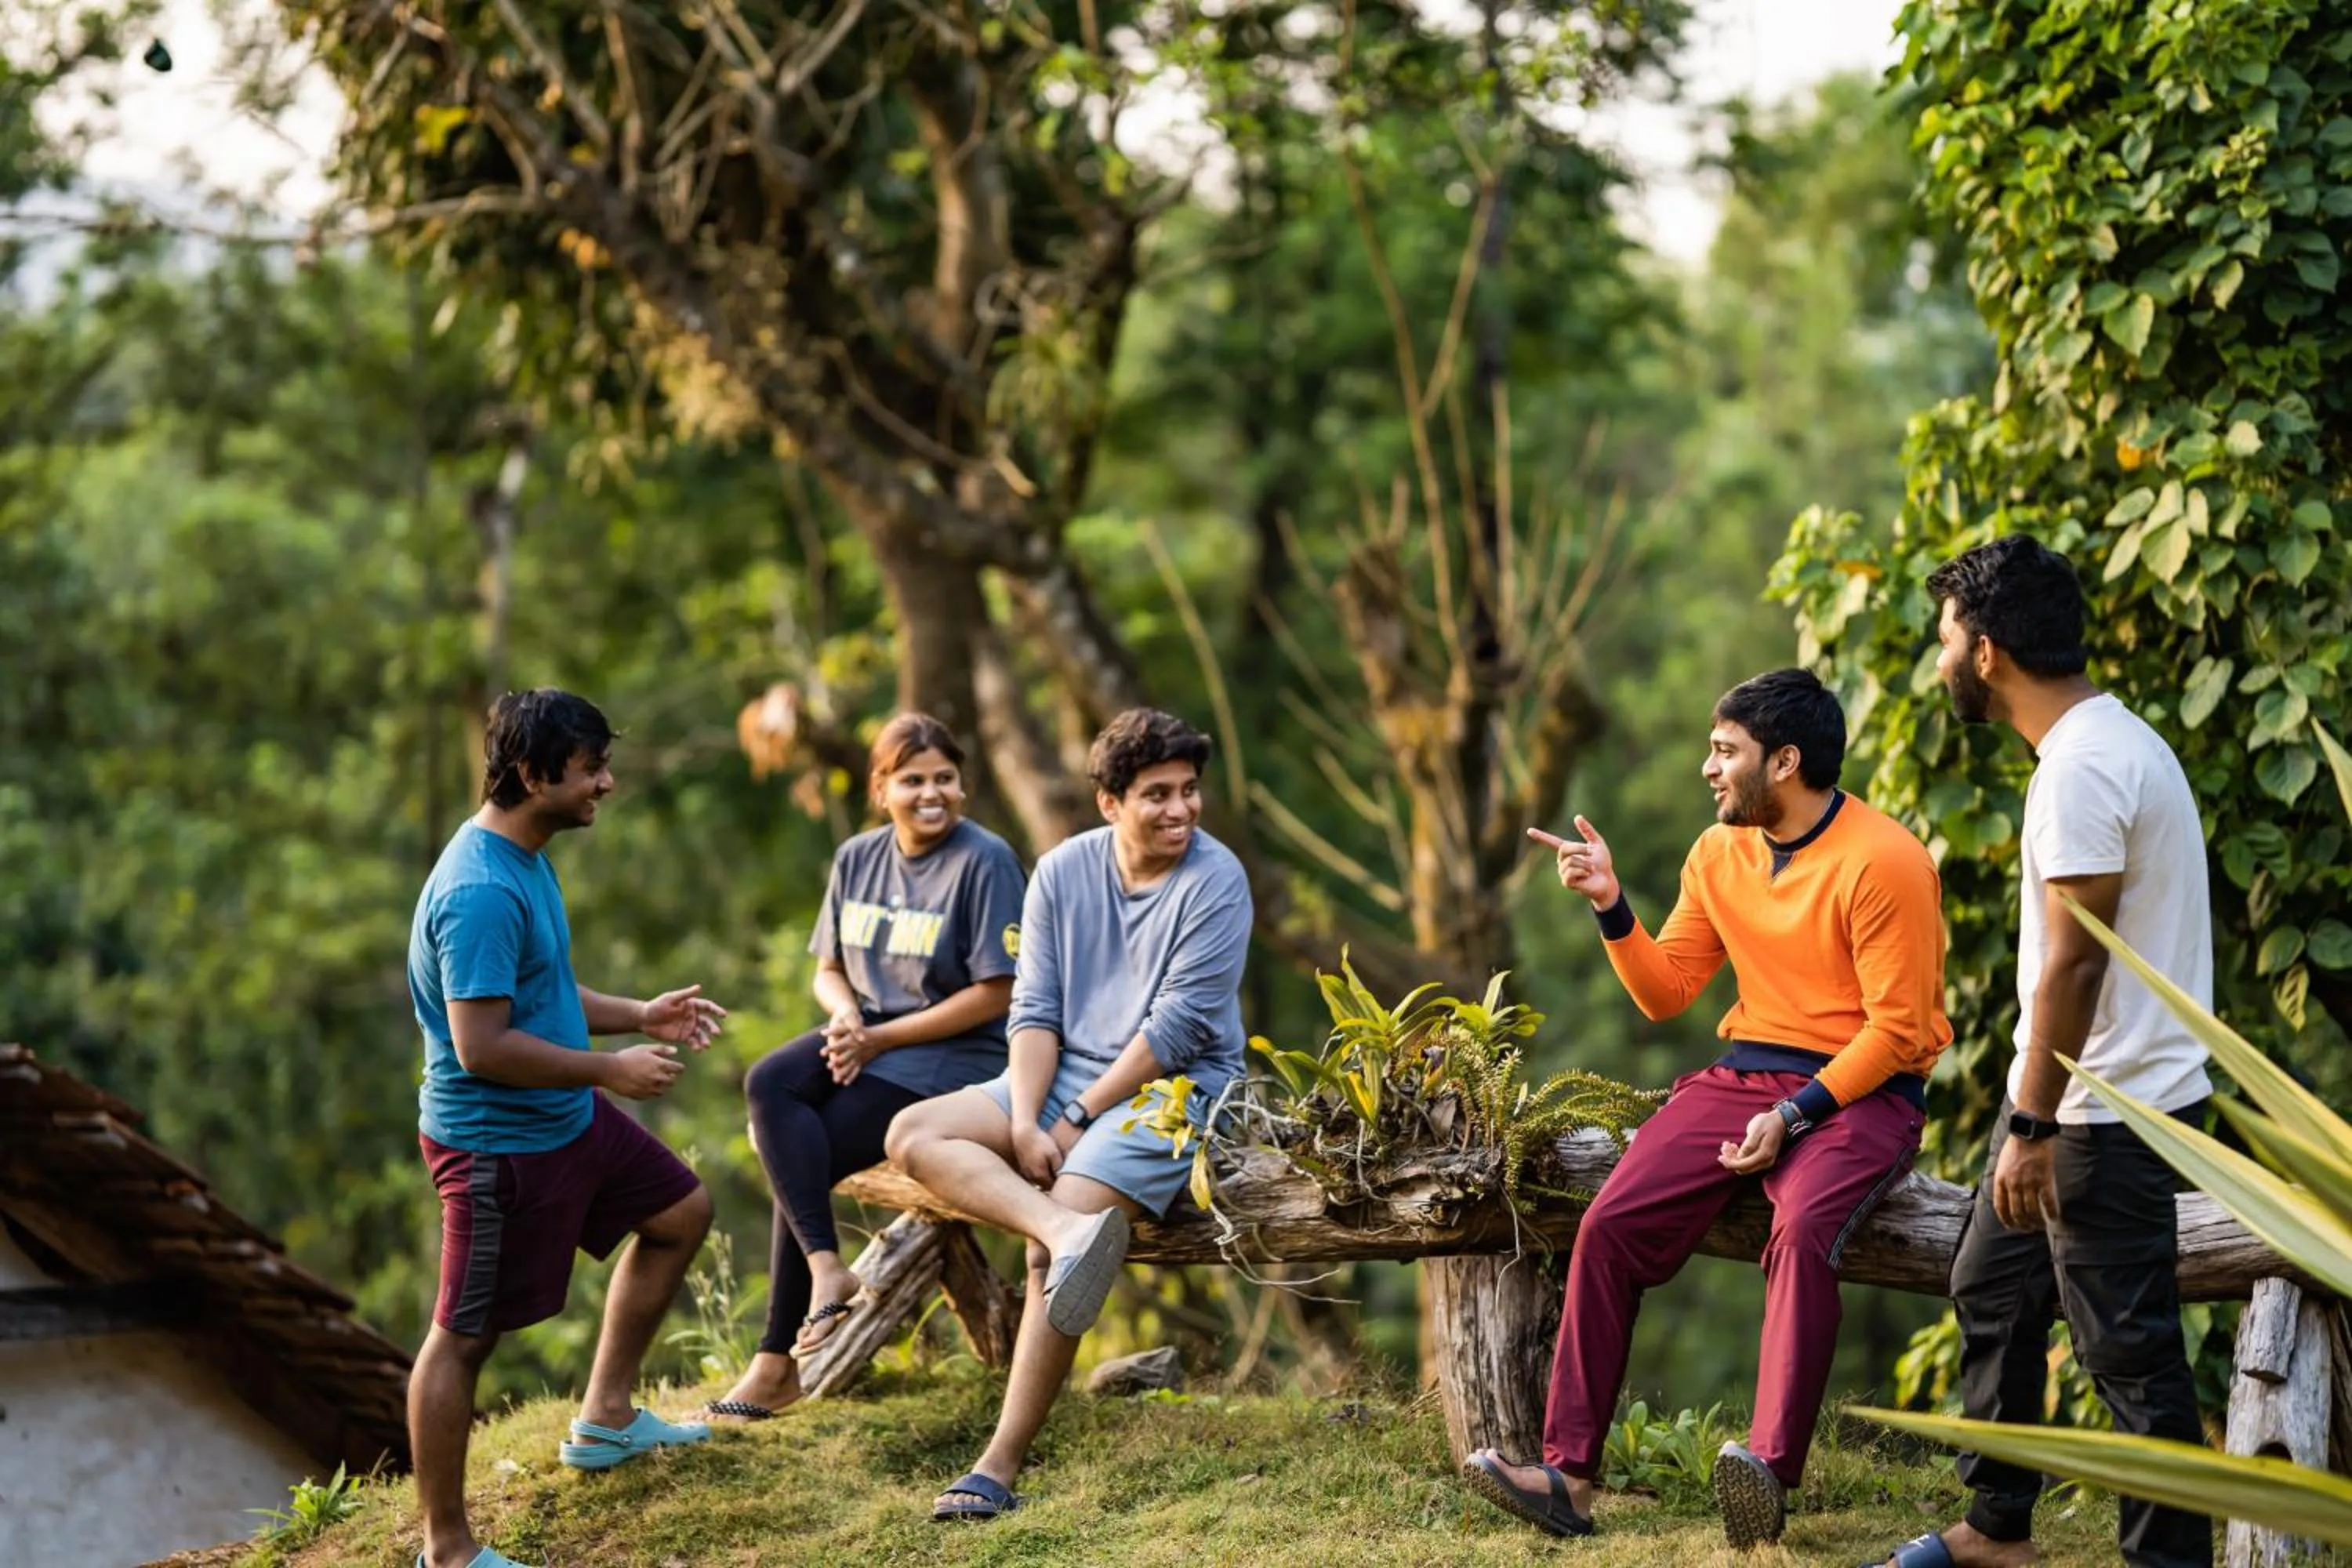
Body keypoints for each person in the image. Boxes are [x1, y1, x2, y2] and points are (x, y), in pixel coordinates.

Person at [1463, 668, 1951, 1548]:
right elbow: (1668, 991)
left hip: (1865, 1091)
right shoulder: (1718, 854)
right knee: (1608, 1221)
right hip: (1745, 1077)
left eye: (1726, 750)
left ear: (1787, 760)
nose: (1707, 767)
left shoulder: (1888, 861)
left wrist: (1798, 1115)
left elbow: (1900, 1029)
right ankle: (1566, 1480)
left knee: (1800, 1229)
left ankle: (1767, 1468)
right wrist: (1613, 906)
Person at [1878, 538, 2213, 1568]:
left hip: (2103, 1117)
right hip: (2076, 1098)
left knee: (2133, 1366)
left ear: (1985, 653)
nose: (1940, 659)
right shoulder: (2105, 745)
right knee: (1989, 1281)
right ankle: (1998, 1530)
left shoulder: (2082, 768)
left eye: (1946, 638)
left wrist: (2032, 1125)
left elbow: (2073, 966)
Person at [884, 707, 1252, 1523]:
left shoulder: (1217, 878)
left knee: (1072, 1221)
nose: (1181, 810)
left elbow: (1178, 1028)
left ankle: (998, 1461)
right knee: (912, 1132)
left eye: (1190, 791)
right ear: (1109, 802)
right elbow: (1035, 1007)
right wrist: (1023, 1116)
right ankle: (1060, 1227)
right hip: (1061, 1074)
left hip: (1179, 1087)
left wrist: (1073, 1116)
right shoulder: (1059, 870)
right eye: (1158, 793)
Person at [406, 690, 728, 1568]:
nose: (607, 783)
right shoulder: (476, 888)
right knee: (463, 1336)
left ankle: (608, 1416)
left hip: (563, 1118)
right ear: (528, 775)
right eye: (589, 769)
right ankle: (447, 1548)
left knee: (680, 1212)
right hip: (494, 1143)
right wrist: (610, 1070)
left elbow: (538, 993)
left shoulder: (526, 857)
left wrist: (639, 1014)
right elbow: (482, 1044)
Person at [702, 714, 1025, 1422]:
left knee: (803, 1141)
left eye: (945, 777)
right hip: (869, 1033)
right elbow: (827, 969)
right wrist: (847, 1015)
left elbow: (997, 993)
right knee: (768, 1084)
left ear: (962, 784)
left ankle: (773, 1366)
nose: (931, 792)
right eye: (913, 780)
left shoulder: (986, 860)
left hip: (952, 1055)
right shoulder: (858, 857)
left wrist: (879, 1041)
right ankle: (826, 1272)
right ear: (882, 789)